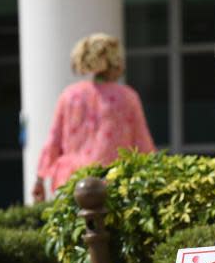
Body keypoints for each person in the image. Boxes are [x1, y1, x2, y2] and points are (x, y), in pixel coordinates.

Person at [33, 33, 156, 202]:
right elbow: (143, 145)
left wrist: (40, 179)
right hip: (112, 184)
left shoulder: (69, 95)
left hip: (72, 184)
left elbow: (53, 141)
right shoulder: (127, 97)